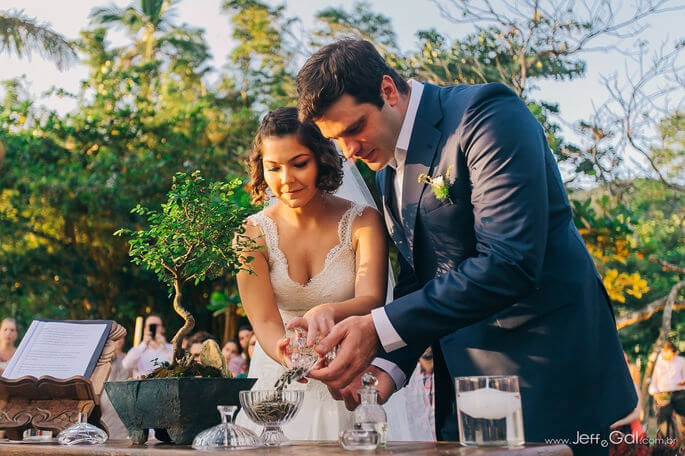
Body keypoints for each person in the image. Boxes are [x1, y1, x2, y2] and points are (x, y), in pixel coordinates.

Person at [296, 38, 637, 452]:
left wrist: (377, 328)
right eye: (337, 140)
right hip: (467, 387)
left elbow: (508, 262)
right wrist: (388, 364)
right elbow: (417, 274)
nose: (349, 152)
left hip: (550, 375)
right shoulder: (384, 166)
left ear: (388, 90)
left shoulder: (487, 116)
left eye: (354, 128)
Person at [233, 106, 412, 440]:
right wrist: (290, 358)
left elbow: (371, 298)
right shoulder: (250, 234)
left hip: (349, 369)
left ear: (322, 159)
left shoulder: (363, 221)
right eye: (273, 168)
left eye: (299, 163)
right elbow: (265, 321)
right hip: (278, 376)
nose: (286, 179)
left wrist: (329, 311)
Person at [648, 341, 685, 440]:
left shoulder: (681, 361)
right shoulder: (656, 361)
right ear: (663, 351)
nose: (671, 355)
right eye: (669, 353)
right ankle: (666, 443)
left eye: (673, 353)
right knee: (664, 417)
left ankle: (682, 442)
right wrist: (655, 394)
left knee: (683, 418)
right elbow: (652, 381)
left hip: (679, 392)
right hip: (663, 393)